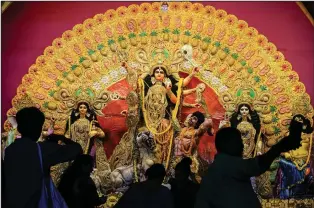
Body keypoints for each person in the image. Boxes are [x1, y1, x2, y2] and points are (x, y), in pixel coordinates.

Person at [195, 115, 308, 208]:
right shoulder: (228, 164)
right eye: (239, 141)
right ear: (230, 144)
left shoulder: (216, 167)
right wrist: (280, 146)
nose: (242, 145)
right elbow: (259, 164)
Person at [4, 107, 82, 208]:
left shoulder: (9, 150)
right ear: (39, 129)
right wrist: (62, 138)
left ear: (18, 128)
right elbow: (77, 149)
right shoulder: (43, 149)